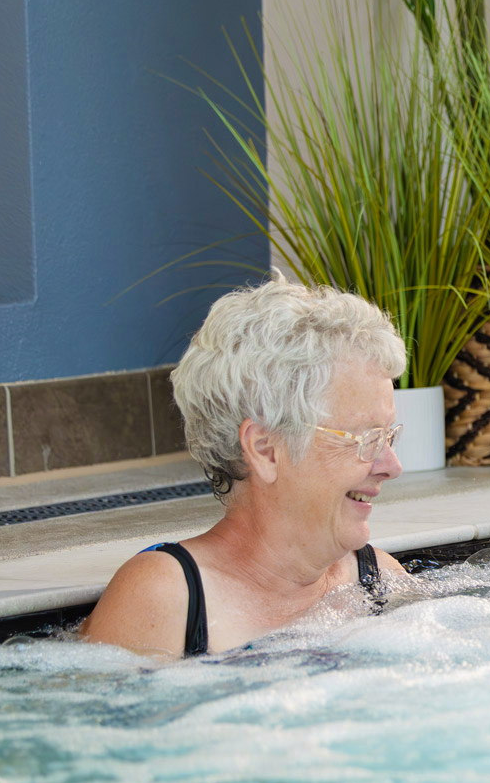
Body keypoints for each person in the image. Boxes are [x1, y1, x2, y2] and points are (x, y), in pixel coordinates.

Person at [81, 277, 409, 658]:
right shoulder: (167, 597)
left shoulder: (379, 582)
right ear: (265, 449)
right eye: (366, 439)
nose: (391, 465)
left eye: (388, 436)